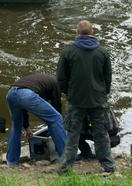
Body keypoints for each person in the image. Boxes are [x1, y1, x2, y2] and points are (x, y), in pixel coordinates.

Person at [56, 20, 115, 174]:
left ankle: (64, 168)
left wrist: (69, 94)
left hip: (76, 100)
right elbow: (108, 78)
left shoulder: (68, 51)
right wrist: (103, 94)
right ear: (92, 32)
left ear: (77, 32)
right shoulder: (103, 52)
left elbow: (61, 78)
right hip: (98, 100)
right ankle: (108, 165)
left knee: (73, 134)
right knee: (101, 133)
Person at [6, 73, 67, 166]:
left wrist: (26, 128)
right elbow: (56, 107)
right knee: (56, 118)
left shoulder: (42, 81)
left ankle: (11, 162)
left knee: (16, 126)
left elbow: (23, 106)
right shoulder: (56, 84)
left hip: (11, 93)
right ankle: (66, 158)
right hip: (26, 94)